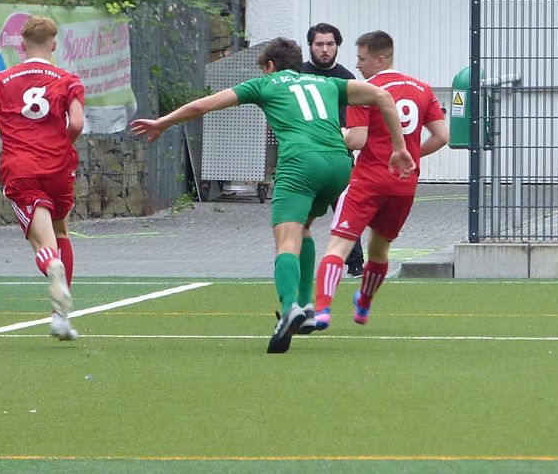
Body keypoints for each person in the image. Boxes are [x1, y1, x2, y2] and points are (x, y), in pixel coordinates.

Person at [130, 37, 415, 354]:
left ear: (269, 66)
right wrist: (399, 148)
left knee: (286, 239)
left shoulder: (265, 84)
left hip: (300, 163)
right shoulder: (327, 83)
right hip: (338, 165)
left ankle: (290, 306)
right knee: (304, 227)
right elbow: (382, 96)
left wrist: (162, 122)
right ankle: (307, 307)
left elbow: (204, 105)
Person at [313, 30, 450, 330]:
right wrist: (409, 155)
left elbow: (357, 139)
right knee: (379, 249)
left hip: (368, 180)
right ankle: (363, 303)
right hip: (403, 184)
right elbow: (442, 136)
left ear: (380, 59)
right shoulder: (422, 89)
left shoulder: (366, 91)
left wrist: (327, 136)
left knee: (338, 245)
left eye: (361, 59)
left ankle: (321, 309)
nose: (357, 65)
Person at [0, 16, 85, 341]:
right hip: (59, 169)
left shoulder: (1, 80)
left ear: (22, 45)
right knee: (61, 231)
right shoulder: (67, 79)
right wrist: (61, 144)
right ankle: (60, 319)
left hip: (21, 170)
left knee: (42, 245)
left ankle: (51, 267)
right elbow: (77, 124)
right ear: (53, 44)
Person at [301, 23, 365, 276]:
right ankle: (294, 259)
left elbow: (356, 119)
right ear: (310, 46)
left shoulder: (347, 78)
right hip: (305, 156)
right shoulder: (297, 75)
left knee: (347, 210)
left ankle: (355, 263)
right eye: (319, 44)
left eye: (330, 44)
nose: (325, 50)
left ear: (337, 46)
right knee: (299, 212)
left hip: (339, 155)